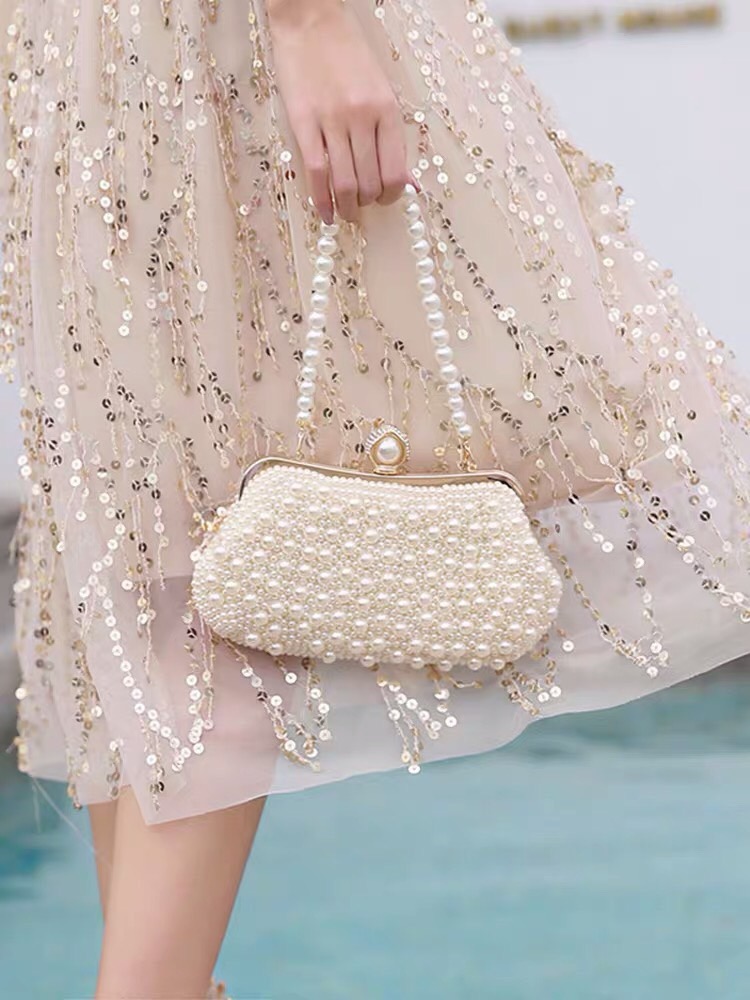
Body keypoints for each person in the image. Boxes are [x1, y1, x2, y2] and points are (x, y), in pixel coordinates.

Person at [2, 0, 749, 996]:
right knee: (155, 572)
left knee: (196, 572)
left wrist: (309, 22)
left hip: (179, 45)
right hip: (108, 59)